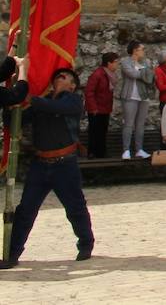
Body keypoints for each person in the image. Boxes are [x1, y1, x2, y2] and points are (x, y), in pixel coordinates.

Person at [1, 66, 94, 269]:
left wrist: (29, 98)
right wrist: (10, 107)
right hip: (40, 165)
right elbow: (15, 123)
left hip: (65, 165)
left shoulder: (73, 100)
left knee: (75, 207)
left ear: (72, 85)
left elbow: (58, 108)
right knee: (25, 210)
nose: (61, 78)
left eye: (66, 76)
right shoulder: (41, 104)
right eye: (57, 76)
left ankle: (86, 244)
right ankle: (12, 254)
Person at [117, 41, 156, 159]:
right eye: (142, 49)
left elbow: (152, 76)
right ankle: (126, 150)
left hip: (143, 96)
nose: (143, 51)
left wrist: (144, 74)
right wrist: (145, 74)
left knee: (140, 124)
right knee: (128, 124)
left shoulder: (146, 62)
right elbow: (133, 74)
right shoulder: (125, 62)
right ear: (135, 50)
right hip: (130, 96)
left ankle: (139, 149)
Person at [83, 52, 118, 158]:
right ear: (109, 63)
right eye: (115, 62)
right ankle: (92, 152)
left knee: (102, 131)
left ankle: (101, 152)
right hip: (96, 109)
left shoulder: (109, 75)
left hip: (105, 108)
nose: (117, 65)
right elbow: (89, 92)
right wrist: (93, 107)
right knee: (94, 131)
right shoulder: (98, 74)